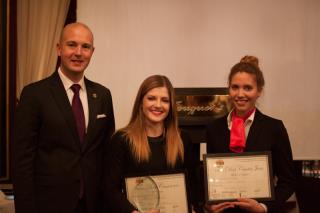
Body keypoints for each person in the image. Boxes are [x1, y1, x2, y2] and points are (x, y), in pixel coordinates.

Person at [12, 22, 115, 213]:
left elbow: (106, 155)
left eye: (85, 47)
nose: (78, 52)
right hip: (49, 205)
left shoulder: (102, 95)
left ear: (92, 52)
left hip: (94, 204)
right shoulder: (34, 94)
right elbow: (22, 163)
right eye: (71, 44)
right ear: (59, 49)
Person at [205, 56, 295, 213]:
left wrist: (264, 207)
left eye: (248, 88)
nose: (240, 94)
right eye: (235, 87)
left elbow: (288, 182)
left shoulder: (274, 128)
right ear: (229, 89)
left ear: (259, 91)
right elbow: (211, 177)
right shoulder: (214, 128)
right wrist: (209, 204)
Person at [104, 75, 200, 213]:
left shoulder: (182, 139)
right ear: (141, 102)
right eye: (151, 98)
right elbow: (110, 189)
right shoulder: (122, 139)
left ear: (171, 105)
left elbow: (192, 184)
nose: (158, 105)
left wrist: (192, 206)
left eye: (165, 100)